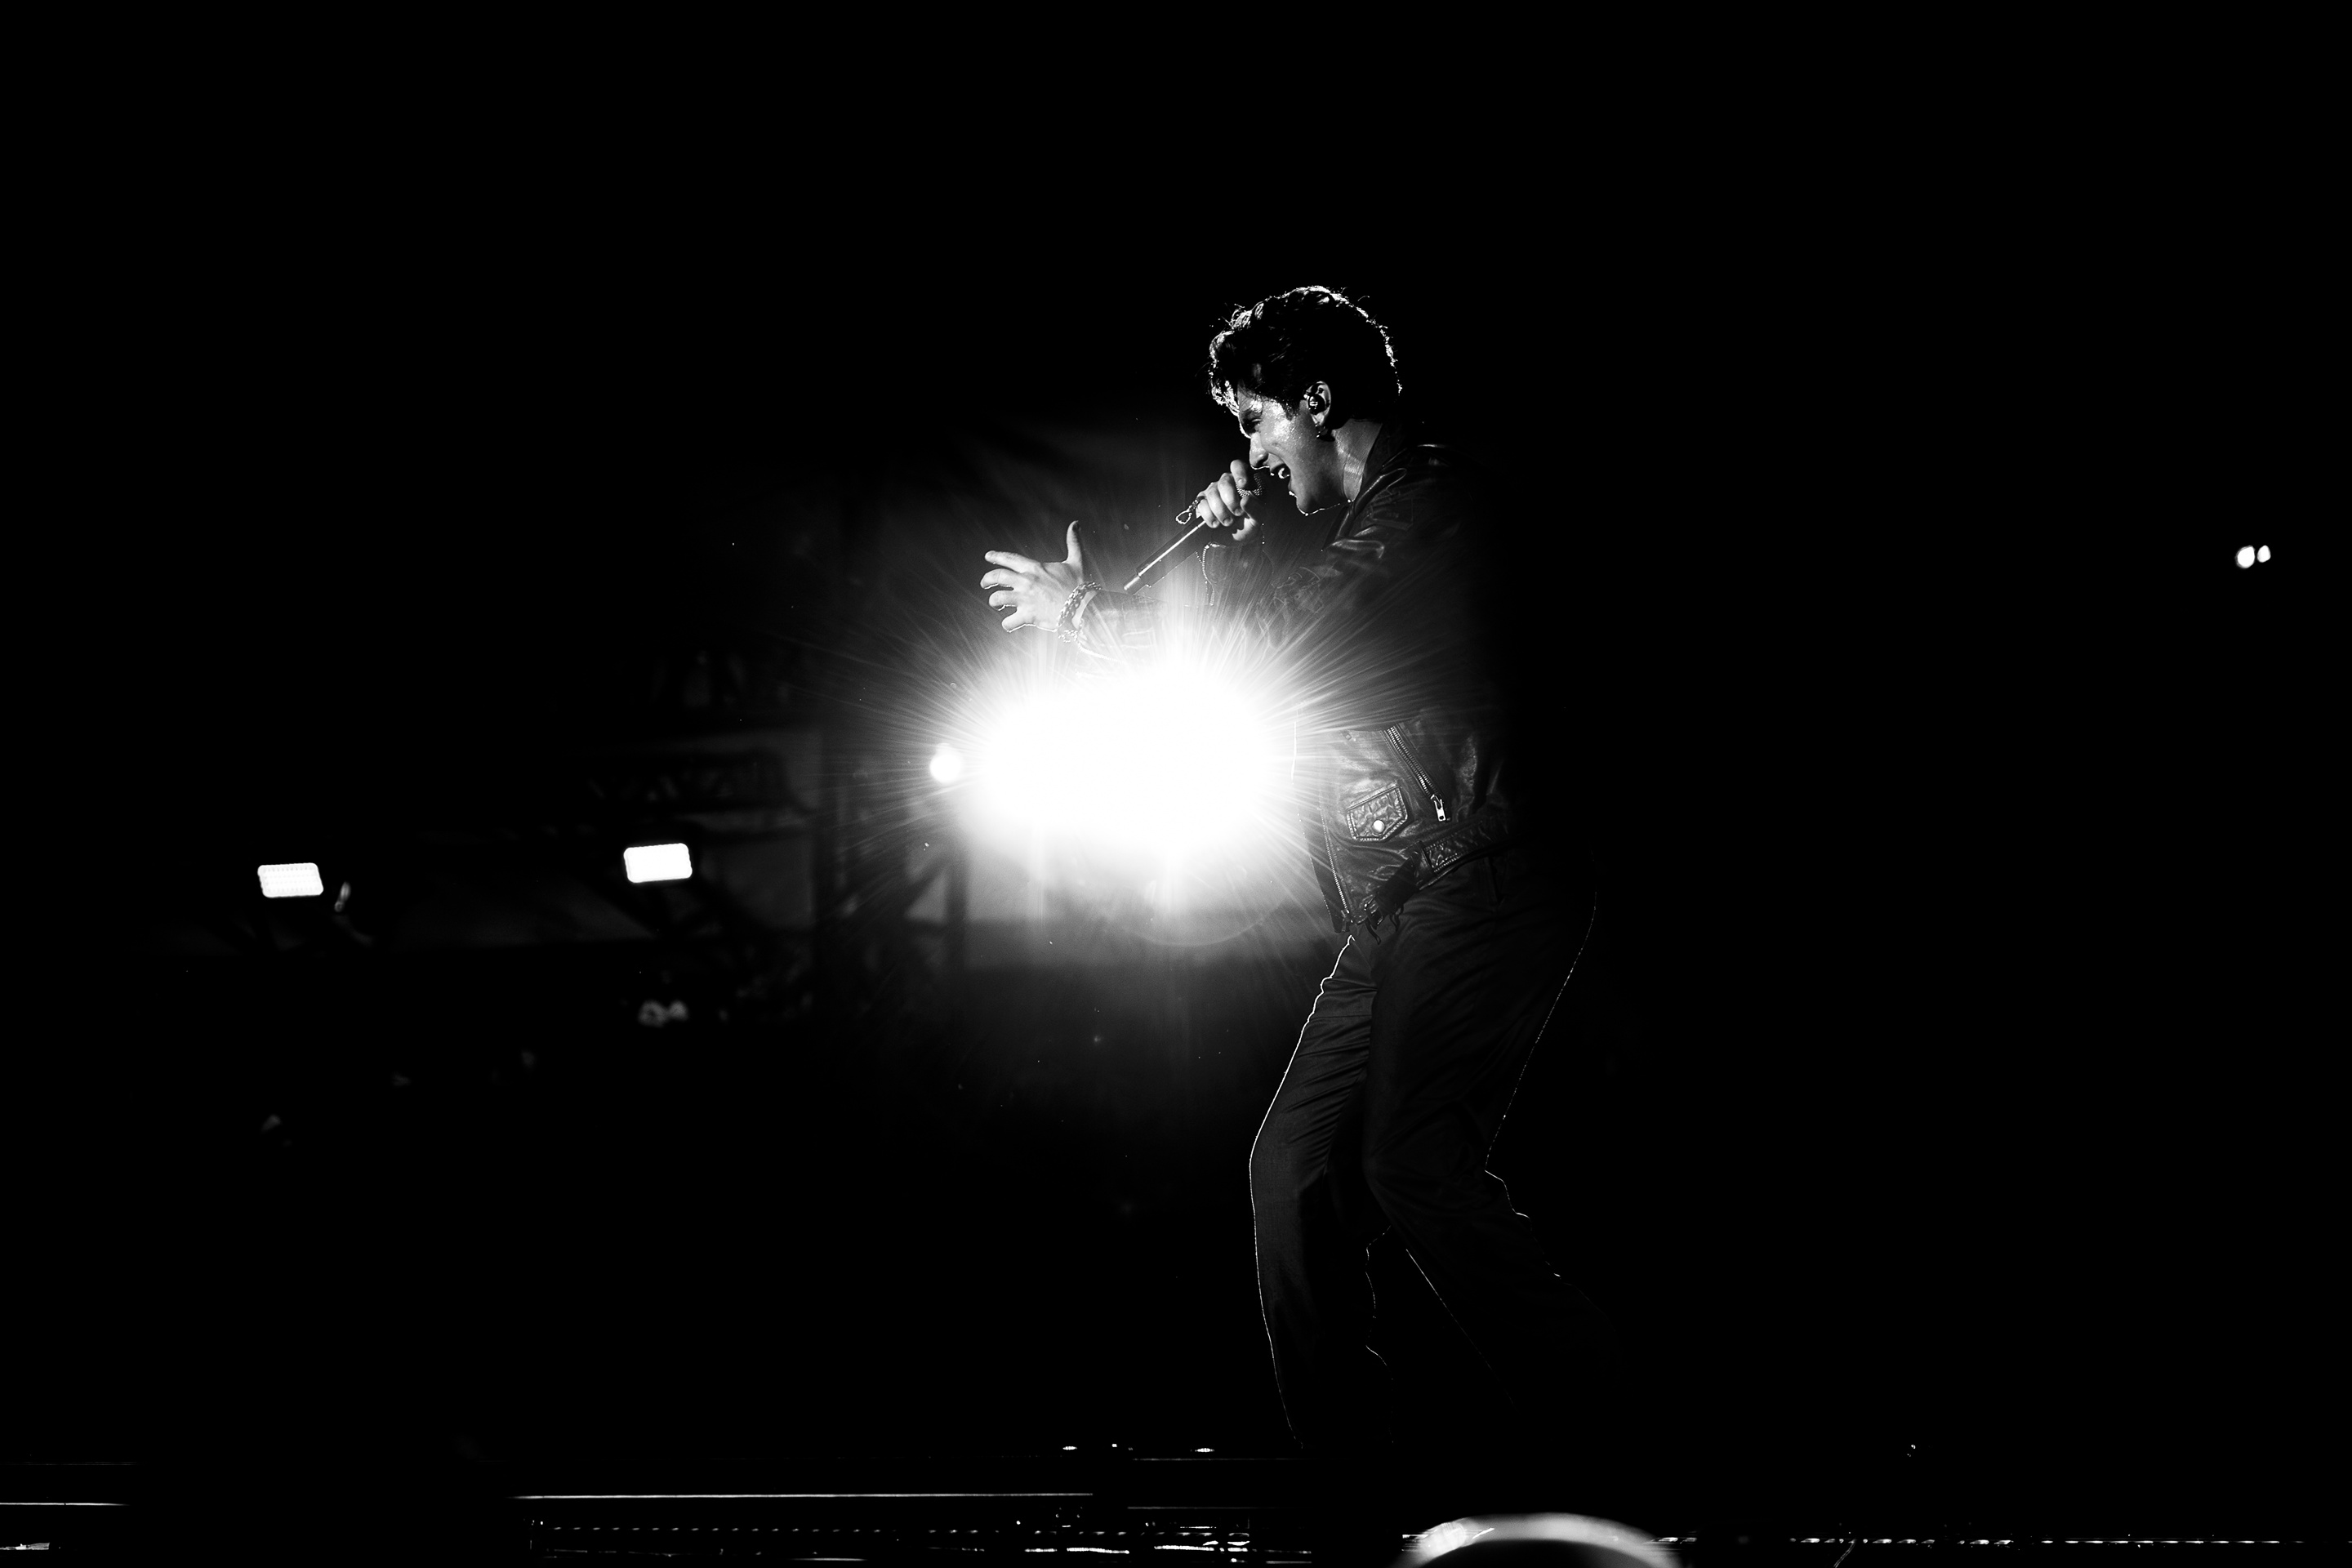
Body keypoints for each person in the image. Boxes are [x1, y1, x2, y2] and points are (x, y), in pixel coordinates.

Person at [982, 286, 1619, 1463]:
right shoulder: (1372, 525)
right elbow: (1275, 652)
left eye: (1256, 420)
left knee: (1412, 1163)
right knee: (1291, 1172)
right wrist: (1211, 565)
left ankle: (1630, 1440)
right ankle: (1349, 1486)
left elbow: (1284, 648)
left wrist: (1088, 620)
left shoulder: (1435, 510)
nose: (1254, 453)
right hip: (1403, 899)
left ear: (1317, 400)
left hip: (1485, 871)